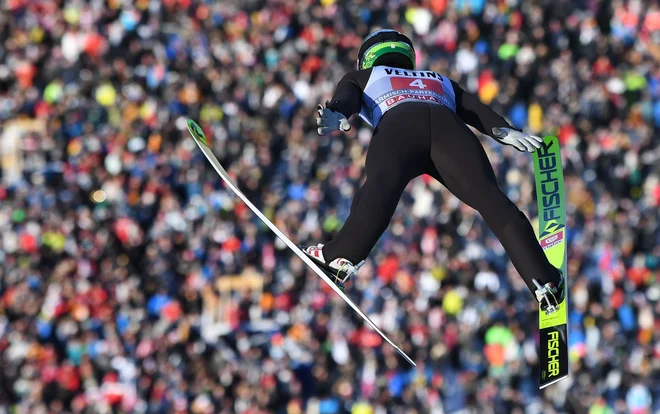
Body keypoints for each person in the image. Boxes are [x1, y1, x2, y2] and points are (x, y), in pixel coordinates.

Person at [302, 29, 565, 313]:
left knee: (381, 187)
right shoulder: (438, 79)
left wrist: (338, 113)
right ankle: (545, 280)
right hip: (448, 128)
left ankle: (341, 257)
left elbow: (346, 98)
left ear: (366, 58)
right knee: (492, 200)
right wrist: (505, 131)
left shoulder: (364, 76)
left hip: (399, 124)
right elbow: (476, 110)